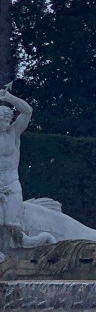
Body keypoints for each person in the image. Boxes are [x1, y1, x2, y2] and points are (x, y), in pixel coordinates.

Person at [0, 88, 31, 235]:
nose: (6, 123)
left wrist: (9, 97)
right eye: (2, 120)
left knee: (13, 225)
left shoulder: (14, 132)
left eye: (8, 120)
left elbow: (27, 111)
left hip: (11, 183)